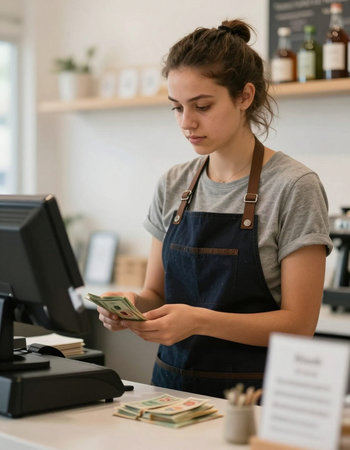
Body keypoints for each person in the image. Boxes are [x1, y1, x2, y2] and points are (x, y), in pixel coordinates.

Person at [97, 19, 333, 398]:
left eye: (202, 106)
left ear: (244, 96)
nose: (187, 123)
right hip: (171, 394)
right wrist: (127, 307)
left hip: (255, 401)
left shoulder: (293, 186)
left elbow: (298, 324)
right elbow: (155, 294)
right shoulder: (173, 183)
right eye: (177, 108)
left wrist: (199, 321)